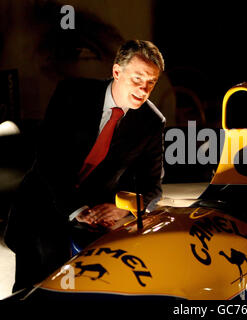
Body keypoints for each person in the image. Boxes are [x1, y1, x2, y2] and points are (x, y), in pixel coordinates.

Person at [4, 39, 166, 292]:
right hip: (43, 201)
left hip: (95, 216)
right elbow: (47, 160)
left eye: (151, 82)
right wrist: (76, 208)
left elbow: (152, 188)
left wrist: (120, 209)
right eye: (137, 79)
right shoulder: (72, 94)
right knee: (33, 286)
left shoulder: (152, 122)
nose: (144, 89)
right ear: (116, 72)